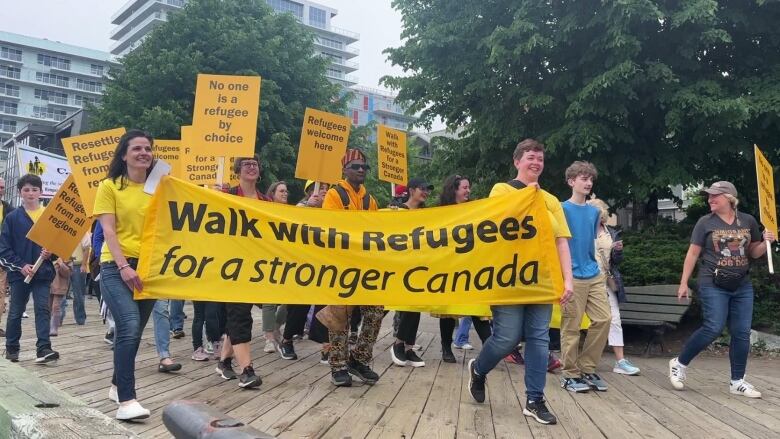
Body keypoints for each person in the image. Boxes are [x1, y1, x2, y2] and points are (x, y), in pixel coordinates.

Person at [467, 139, 573, 426]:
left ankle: (535, 400)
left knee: (539, 340)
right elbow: (496, 222)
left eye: (540, 158)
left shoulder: (551, 200)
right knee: (507, 338)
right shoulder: (502, 189)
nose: (536, 162)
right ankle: (478, 369)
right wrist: (526, 195)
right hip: (509, 278)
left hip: (541, 280)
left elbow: (561, 240)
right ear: (517, 161)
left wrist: (568, 279)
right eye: (530, 157)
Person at [670, 181, 774, 398]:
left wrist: (765, 242)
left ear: (729, 198)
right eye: (708, 196)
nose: (710, 199)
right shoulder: (704, 222)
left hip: (742, 284)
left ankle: (737, 381)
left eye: (714, 196)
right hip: (712, 282)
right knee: (713, 327)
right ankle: (679, 363)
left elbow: (753, 252)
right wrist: (683, 283)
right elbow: (692, 253)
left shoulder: (747, 220)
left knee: (741, 333)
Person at [93, 129, 157, 420]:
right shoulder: (110, 186)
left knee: (133, 331)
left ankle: (117, 384)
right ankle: (127, 401)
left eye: (148, 148)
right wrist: (123, 266)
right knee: (129, 325)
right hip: (114, 266)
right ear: (124, 155)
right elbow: (108, 231)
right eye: (137, 148)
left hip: (150, 270)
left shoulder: (160, 187)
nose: (144, 152)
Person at [321, 148, 383, 387]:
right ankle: (338, 366)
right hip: (340, 266)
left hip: (366, 267)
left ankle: (359, 359)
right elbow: (332, 228)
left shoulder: (371, 200)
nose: (360, 170)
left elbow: (378, 230)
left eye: (364, 167)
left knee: (376, 312)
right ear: (344, 169)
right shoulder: (335, 195)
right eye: (355, 166)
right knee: (338, 317)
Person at [215, 154, 269, 389]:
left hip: (255, 267)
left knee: (240, 312)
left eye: (254, 164)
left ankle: (224, 361)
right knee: (240, 314)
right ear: (237, 170)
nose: (251, 167)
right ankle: (247, 370)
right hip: (231, 266)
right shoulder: (226, 195)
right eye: (246, 164)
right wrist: (213, 198)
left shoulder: (266, 200)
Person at [559, 161, 611, 393]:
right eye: (583, 178)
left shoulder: (594, 212)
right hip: (572, 276)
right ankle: (569, 373)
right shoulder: (561, 209)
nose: (588, 182)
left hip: (593, 274)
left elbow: (589, 242)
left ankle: (587, 368)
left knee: (604, 319)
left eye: (590, 179)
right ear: (571, 182)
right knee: (571, 326)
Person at [1, 174, 58, 364]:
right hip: (19, 275)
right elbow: (4, 248)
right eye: (26, 189)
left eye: (34, 189)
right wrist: (21, 265)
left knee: (43, 308)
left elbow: (59, 245)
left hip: (42, 273)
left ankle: (44, 348)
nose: (31, 193)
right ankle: (11, 348)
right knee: (16, 310)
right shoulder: (12, 218)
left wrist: (53, 253)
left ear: (41, 192)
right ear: (20, 193)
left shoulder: (49, 216)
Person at [436, 175, 492, 363]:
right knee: (449, 312)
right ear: (454, 189)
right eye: (465, 187)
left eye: (469, 187)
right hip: (450, 268)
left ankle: (489, 350)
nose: (468, 191)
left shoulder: (474, 210)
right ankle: (446, 348)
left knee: (477, 309)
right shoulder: (441, 212)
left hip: (471, 267)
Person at [588, 198, 639, 376]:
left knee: (614, 319)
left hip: (606, 281)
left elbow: (616, 262)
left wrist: (618, 251)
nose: (601, 220)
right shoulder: (582, 231)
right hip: (586, 280)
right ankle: (583, 360)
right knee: (581, 321)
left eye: (602, 216)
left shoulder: (610, 232)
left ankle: (620, 361)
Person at [282, 180, 330, 362]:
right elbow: (292, 226)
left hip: (324, 264)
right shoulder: (301, 207)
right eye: (321, 187)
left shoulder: (331, 208)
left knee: (327, 305)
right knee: (299, 306)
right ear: (310, 191)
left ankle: (327, 347)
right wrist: (309, 208)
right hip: (302, 263)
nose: (324, 191)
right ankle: (287, 340)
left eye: (327, 188)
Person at [389, 178, 432, 368]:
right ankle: (398, 343)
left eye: (428, 189)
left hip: (420, 265)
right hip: (400, 265)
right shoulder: (396, 211)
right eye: (422, 188)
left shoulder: (428, 214)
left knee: (415, 306)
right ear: (411, 190)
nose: (425, 192)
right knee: (406, 306)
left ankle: (408, 347)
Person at [263, 181, 289, 354]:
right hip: (267, 260)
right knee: (269, 300)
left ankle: (276, 327)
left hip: (287, 261)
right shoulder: (264, 209)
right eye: (281, 191)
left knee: (291, 300)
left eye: (286, 191)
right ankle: (269, 337)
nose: (285, 193)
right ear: (272, 193)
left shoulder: (292, 211)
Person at [0, 176, 12, 337]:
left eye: (2, 187)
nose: (0, 189)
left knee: (0, 292)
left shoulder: (8, 209)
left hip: (1, 258)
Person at [48, 258, 72, 336]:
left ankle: (54, 328)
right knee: (48, 307)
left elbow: (68, 273)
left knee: (56, 307)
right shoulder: (48, 256)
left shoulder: (67, 258)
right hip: (48, 286)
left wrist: (61, 264)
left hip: (60, 286)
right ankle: (47, 326)